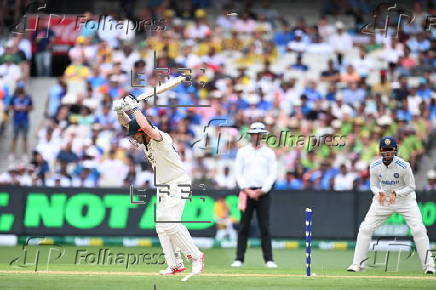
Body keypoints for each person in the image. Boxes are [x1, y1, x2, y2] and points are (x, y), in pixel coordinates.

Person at [112, 92, 204, 276]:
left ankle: (195, 255)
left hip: (178, 182)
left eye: (135, 136)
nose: (134, 139)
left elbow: (144, 126)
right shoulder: (144, 140)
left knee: (170, 223)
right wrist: (119, 110)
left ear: (142, 133)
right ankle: (175, 265)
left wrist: (135, 108)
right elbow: (127, 124)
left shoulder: (159, 138)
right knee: (162, 226)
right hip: (164, 185)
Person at [347, 136, 435, 274]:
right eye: (385, 150)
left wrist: (396, 193)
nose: (388, 153)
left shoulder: (404, 166)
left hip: (405, 200)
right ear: (380, 151)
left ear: (395, 151)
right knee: (365, 228)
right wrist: (379, 193)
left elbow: (411, 187)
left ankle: (429, 266)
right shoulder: (374, 166)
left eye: (390, 150)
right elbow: (373, 186)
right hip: (383, 201)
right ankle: (357, 264)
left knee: (418, 229)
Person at [231, 122, 278, 268]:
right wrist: (247, 189)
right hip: (246, 193)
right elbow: (238, 173)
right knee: (243, 226)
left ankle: (269, 260)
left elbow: (272, 174)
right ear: (251, 135)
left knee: (265, 227)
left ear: (263, 135)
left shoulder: (269, 152)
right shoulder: (243, 151)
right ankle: (239, 259)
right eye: (254, 134)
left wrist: (263, 189)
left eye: (259, 134)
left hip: (263, 193)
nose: (257, 136)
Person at [9, 87, 33, 156]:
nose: (20, 96)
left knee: (25, 137)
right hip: (16, 120)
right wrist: (15, 108)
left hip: (25, 120)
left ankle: (24, 153)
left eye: (21, 94)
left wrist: (24, 108)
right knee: (14, 137)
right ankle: (12, 153)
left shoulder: (28, 98)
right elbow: (10, 107)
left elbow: (32, 107)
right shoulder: (13, 98)